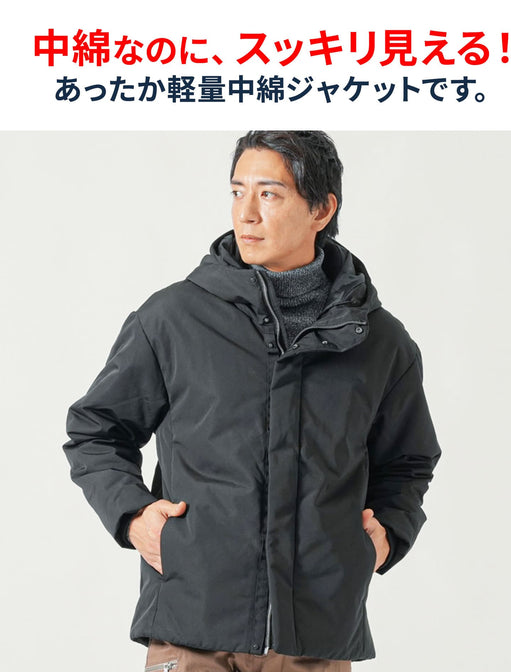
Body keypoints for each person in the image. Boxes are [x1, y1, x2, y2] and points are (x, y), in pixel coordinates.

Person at [63, 131, 441, 672]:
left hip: (316, 639)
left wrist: (386, 535)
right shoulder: (173, 319)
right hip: (191, 629)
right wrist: (134, 516)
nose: (247, 213)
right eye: (237, 191)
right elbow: (96, 431)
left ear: (321, 209)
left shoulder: (379, 341)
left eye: (269, 194)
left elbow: (408, 460)